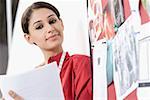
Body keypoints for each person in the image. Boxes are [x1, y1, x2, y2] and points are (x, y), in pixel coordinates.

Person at [3, 1, 92, 100]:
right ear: (28, 38)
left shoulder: (81, 64)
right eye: (39, 27)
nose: (50, 28)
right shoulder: (32, 79)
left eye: (52, 21)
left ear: (61, 23)